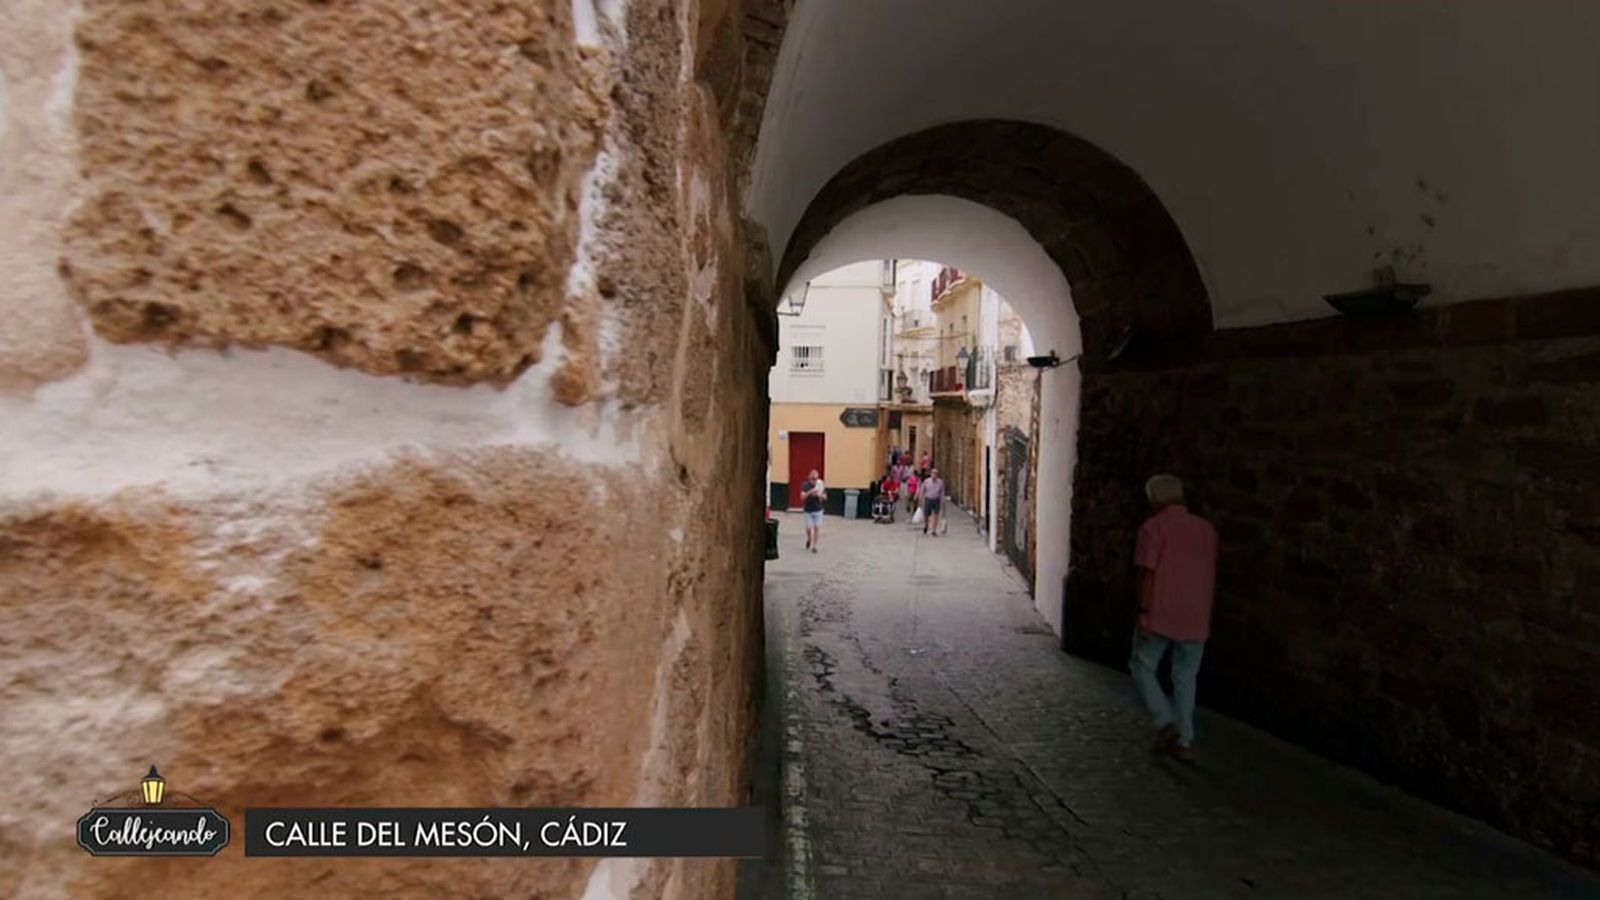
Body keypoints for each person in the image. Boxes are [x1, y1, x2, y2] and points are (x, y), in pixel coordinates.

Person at [1128, 474, 1219, 763]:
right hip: (1196, 615)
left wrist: (1142, 610)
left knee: (1142, 664)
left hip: (1160, 613)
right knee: (1185, 677)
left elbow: (1148, 573)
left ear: (1154, 499)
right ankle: (1184, 740)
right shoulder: (1207, 530)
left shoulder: (1153, 528)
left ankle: (1165, 721)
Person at [800, 469, 826, 553]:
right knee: (808, 528)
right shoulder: (805, 485)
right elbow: (802, 497)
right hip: (808, 510)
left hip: (818, 510)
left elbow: (825, 497)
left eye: (816, 478)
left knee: (816, 528)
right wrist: (810, 492)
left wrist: (820, 495)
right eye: (813, 479)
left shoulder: (820, 484)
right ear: (809, 478)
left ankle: (815, 546)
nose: (815, 481)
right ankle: (809, 538)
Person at [920, 468, 945, 536]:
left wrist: (942, 501)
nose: (934, 475)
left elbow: (942, 492)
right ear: (931, 474)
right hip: (928, 499)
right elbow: (922, 490)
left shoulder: (940, 482)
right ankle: (926, 525)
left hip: (936, 499)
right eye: (933, 473)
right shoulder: (926, 481)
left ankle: (934, 530)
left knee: (936, 515)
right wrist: (921, 499)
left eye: (936, 474)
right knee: (926, 515)